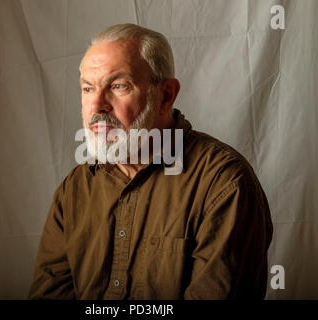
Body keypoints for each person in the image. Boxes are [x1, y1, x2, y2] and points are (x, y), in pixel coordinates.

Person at [28, 23, 273, 300]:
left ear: (165, 95)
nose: (97, 106)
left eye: (118, 85)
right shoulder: (74, 190)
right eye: (87, 89)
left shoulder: (224, 184)